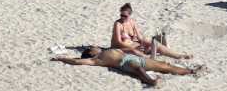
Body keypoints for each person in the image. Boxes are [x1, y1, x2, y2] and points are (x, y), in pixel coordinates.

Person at [51, 46, 203, 86]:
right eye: (93, 47)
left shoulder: (106, 51)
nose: (96, 46)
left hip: (132, 57)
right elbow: (78, 61)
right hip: (125, 63)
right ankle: (150, 81)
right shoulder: (97, 59)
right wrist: (62, 59)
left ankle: (190, 71)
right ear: (91, 52)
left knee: (164, 65)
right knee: (137, 67)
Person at [111, 3, 191, 59]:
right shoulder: (118, 24)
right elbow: (118, 42)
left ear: (130, 15)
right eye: (121, 15)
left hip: (133, 44)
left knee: (150, 43)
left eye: (125, 16)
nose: (122, 17)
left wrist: (142, 44)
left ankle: (177, 55)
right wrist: (135, 48)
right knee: (135, 51)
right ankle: (151, 58)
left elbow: (140, 37)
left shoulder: (132, 22)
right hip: (120, 48)